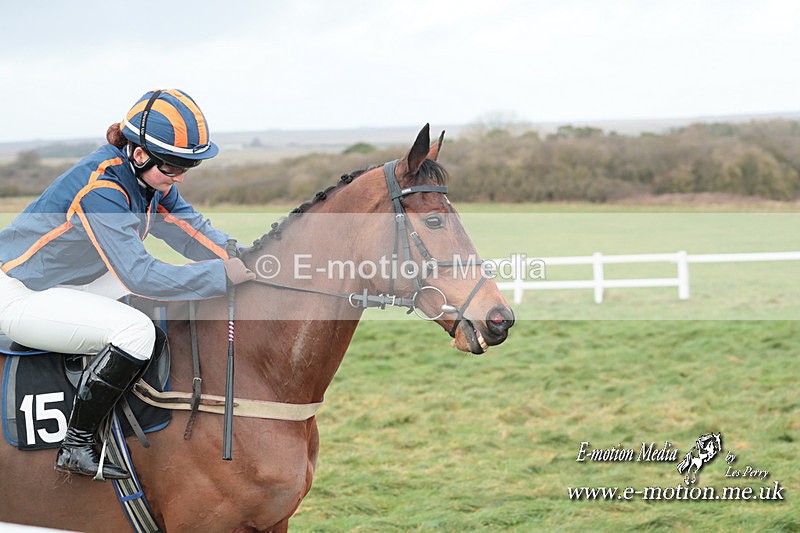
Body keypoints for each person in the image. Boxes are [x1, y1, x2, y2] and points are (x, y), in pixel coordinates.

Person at [0, 89, 255, 480]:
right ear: (138, 154)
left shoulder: (151, 179)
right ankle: (76, 444)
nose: (178, 178)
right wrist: (220, 276)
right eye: (172, 167)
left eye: (186, 168)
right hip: (19, 292)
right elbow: (141, 274)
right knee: (136, 332)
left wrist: (246, 257)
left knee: (153, 306)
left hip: (73, 282)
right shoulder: (103, 190)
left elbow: (190, 231)